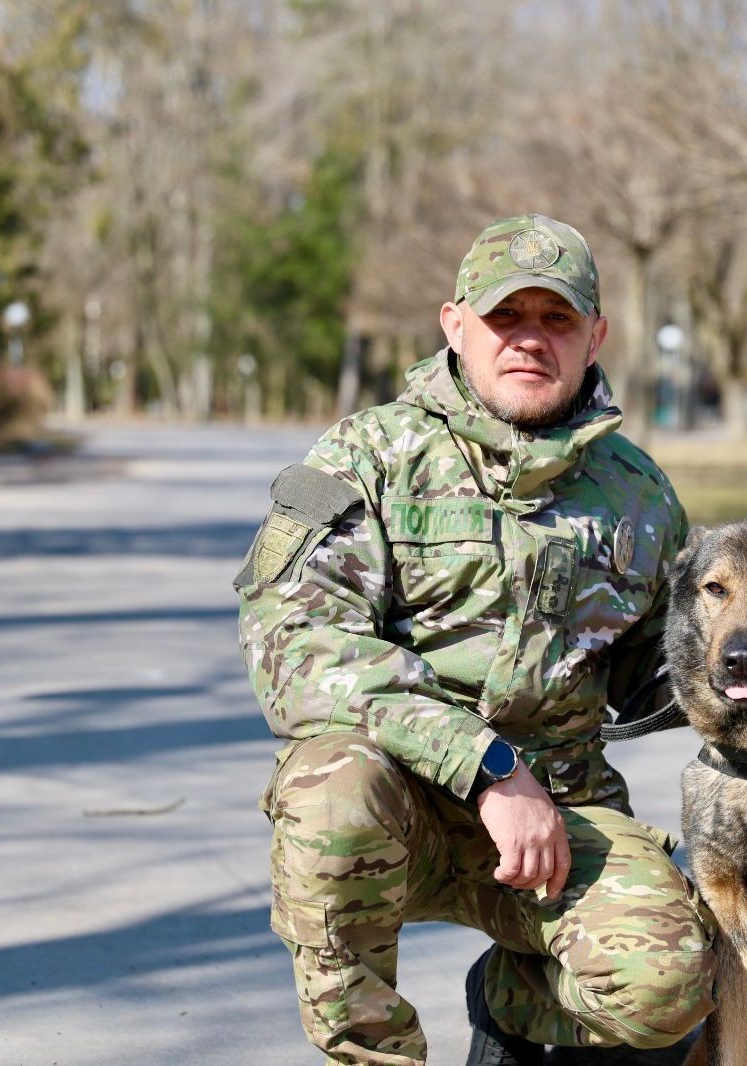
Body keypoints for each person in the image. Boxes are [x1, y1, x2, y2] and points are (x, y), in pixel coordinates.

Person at [236, 213, 716, 1065]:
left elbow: (660, 674)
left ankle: (511, 998)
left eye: (556, 319)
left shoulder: (640, 496)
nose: (530, 340)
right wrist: (489, 768)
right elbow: (295, 647)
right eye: (506, 317)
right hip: (402, 809)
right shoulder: (365, 457)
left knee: (668, 983)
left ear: (594, 336)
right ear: (455, 325)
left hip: (561, 821)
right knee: (328, 791)